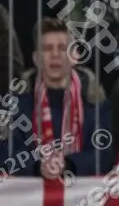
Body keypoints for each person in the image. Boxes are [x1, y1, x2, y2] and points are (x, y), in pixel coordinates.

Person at [7, 18, 112, 177]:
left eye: (62, 48)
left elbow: (104, 155)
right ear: (36, 58)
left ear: (75, 56)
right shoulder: (17, 103)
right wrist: (38, 167)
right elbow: (8, 152)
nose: (55, 55)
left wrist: (69, 165)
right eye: (47, 48)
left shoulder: (95, 101)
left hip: (81, 191)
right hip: (32, 191)